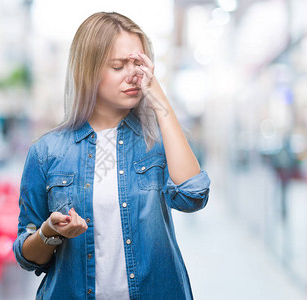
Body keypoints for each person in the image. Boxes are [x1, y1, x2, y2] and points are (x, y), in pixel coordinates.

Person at [13, 11, 211, 300]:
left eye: (139, 64)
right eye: (118, 66)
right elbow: (26, 255)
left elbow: (194, 196)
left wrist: (160, 101)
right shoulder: (47, 152)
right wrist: (49, 231)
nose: (134, 75)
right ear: (88, 70)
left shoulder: (156, 140)